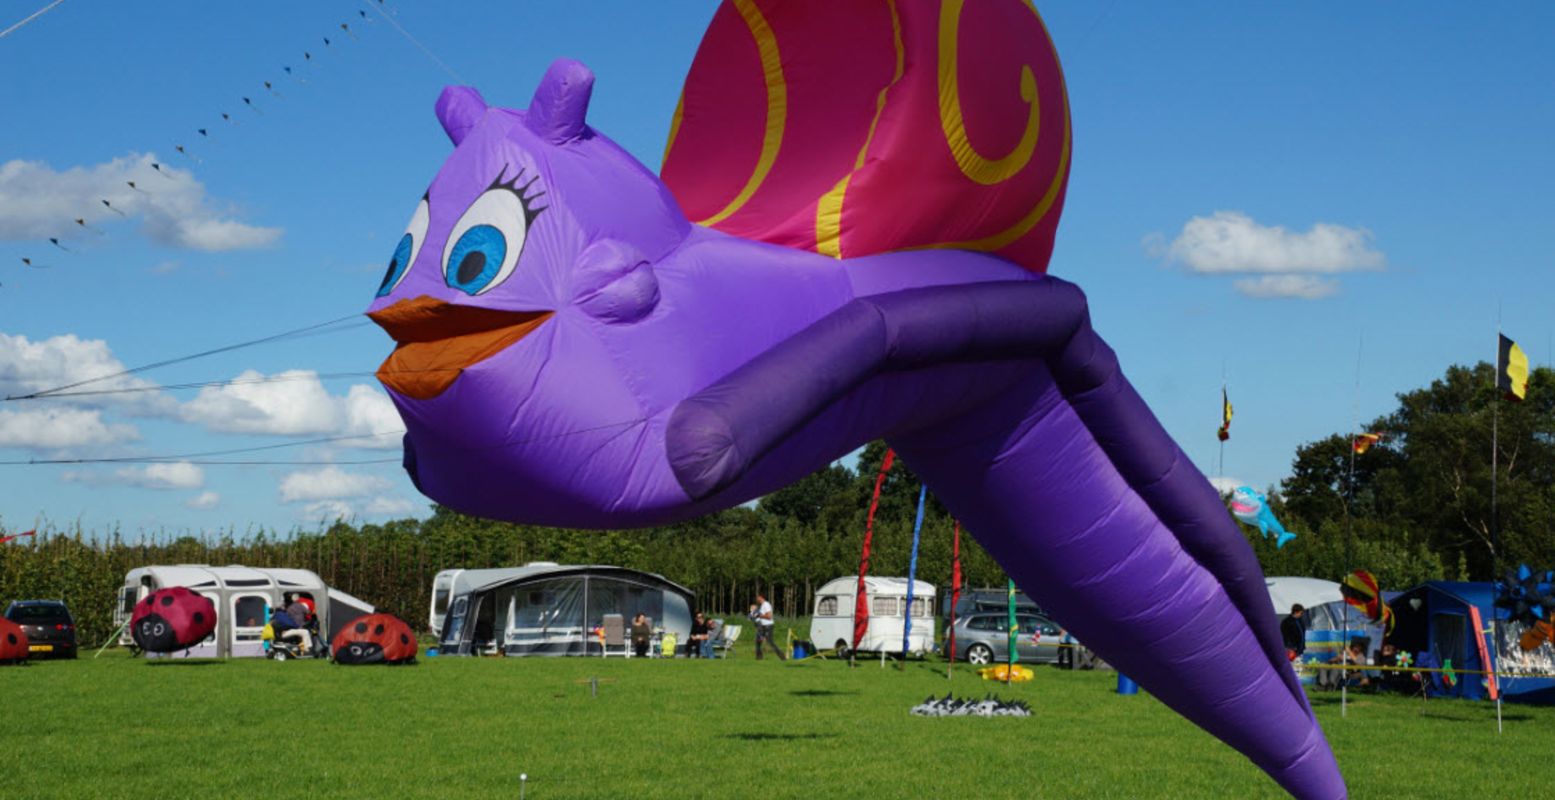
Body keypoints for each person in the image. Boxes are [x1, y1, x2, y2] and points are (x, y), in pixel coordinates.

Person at [750, 593, 785, 661]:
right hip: (762, 626)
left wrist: (759, 616)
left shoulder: (766, 604)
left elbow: (769, 616)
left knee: (770, 642)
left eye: (758, 597)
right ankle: (759, 658)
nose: (757, 599)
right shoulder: (762, 605)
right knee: (758, 641)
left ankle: (782, 656)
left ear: (761, 597)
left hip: (768, 626)